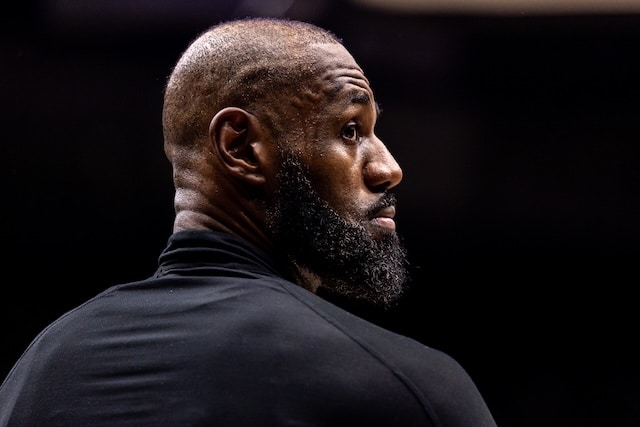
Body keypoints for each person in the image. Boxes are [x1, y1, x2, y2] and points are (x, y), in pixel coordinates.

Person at [0, 17, 497, 426]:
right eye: (350, 131)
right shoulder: (402, 389)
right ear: (239, 146)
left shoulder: (38, 373)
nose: (388, 168)